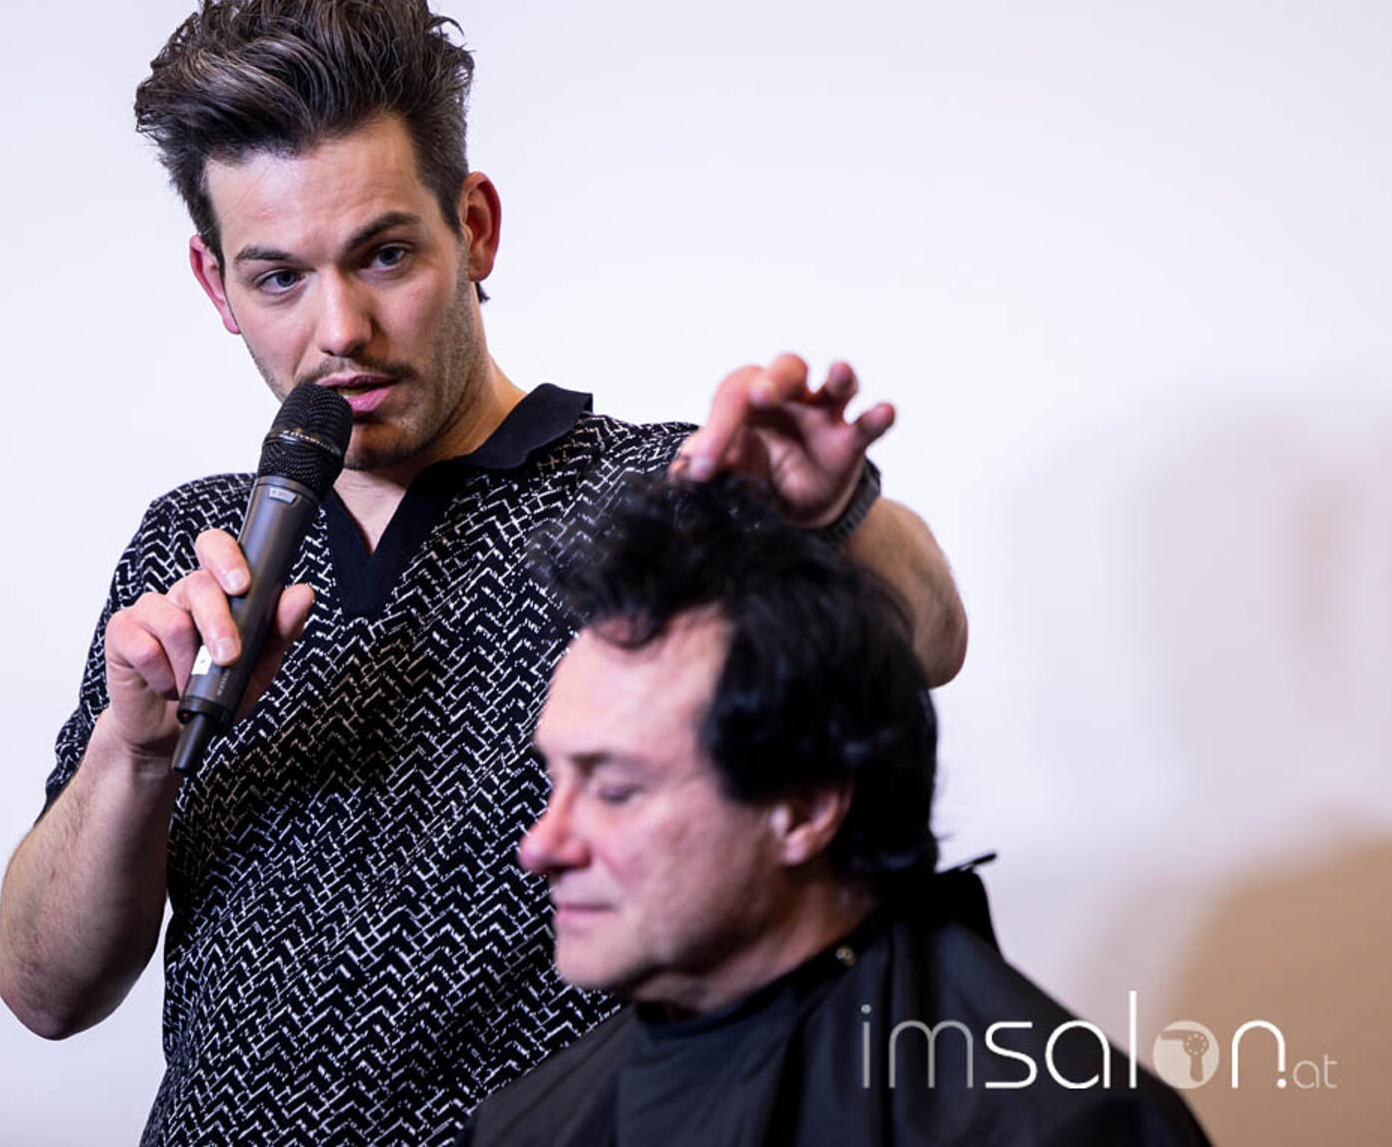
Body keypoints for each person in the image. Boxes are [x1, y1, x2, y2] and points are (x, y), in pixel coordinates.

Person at [0, 0, 969, 1146]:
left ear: (475, 228)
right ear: (217, 282)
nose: (340, 330)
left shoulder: (664, 491)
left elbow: (930, 639)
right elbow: (45, 990)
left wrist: (832, 514)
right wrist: (136, 751)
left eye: (384, 255)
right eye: (280, 278)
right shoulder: (189, 550)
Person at [461, 474, 1208, 1145]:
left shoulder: (1062, 1127)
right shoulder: (520, 1125)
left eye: (616, 790)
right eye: (555, 780)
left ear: (804, 806)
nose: (541, 845)